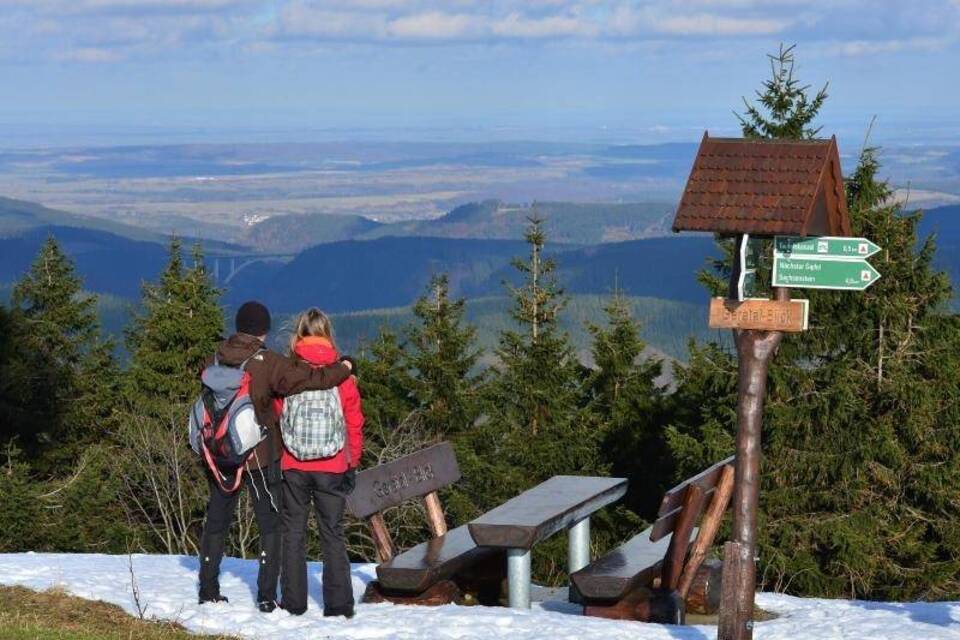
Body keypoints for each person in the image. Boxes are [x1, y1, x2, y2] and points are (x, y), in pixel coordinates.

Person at [197, 301, 354, 612]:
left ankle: (207, 589)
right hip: (259, 456)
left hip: (221, 455)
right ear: (264, 331)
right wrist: (345, 368)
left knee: (216, 521)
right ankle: (267, 596)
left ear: (238, 326)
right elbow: (312, 379)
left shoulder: (215, 356)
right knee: (270, 525)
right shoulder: (268, 362)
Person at [280, 308, 364, 619]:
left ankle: (293, 603)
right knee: (332, 533)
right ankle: (339, 605)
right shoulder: (341, 375)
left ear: (298, 334)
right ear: (328, 333)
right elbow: (354, 422)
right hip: (332, 466)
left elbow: (277, 415)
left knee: (293, 532)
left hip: (293, 465)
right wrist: (352, 461)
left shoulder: (287, 372)